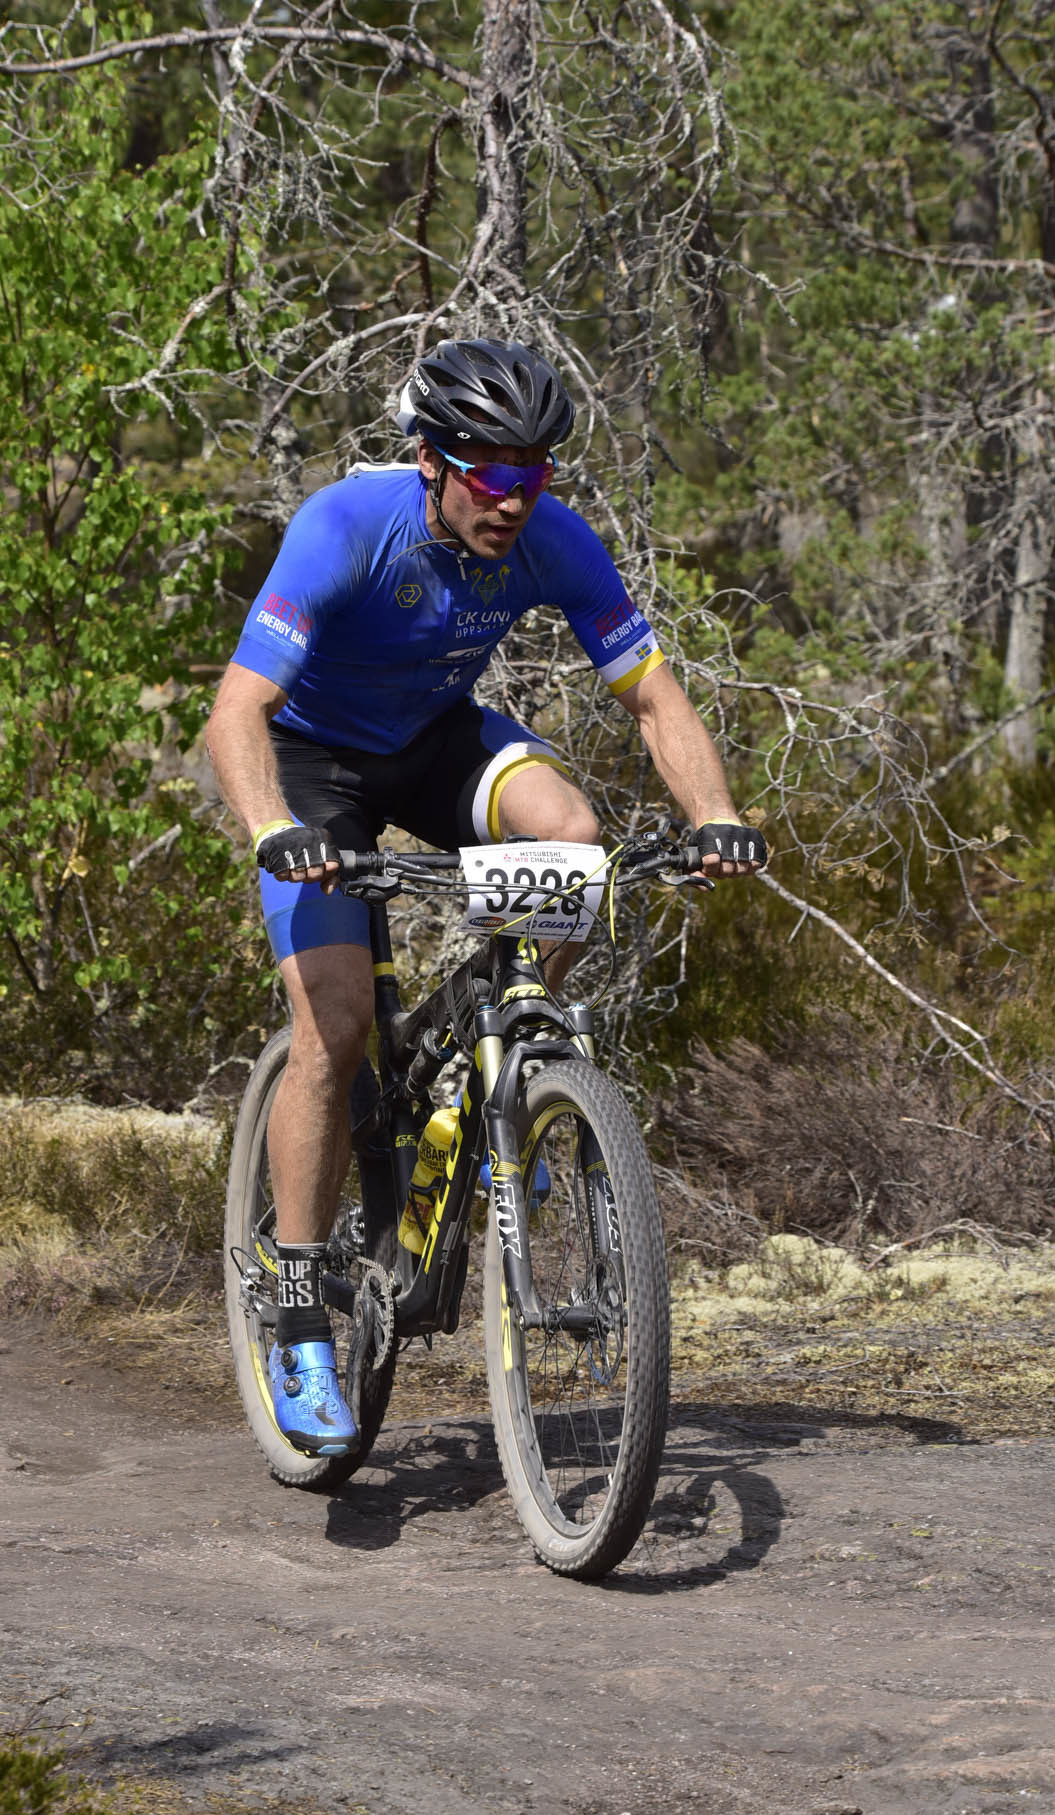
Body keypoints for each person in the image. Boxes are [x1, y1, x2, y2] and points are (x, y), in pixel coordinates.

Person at [206, 337, 765, 1458]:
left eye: (534, 474)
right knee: (334, 1030)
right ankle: (301, 1314)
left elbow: (655, 698)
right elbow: (236, 711)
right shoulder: (345, 526)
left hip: (432, 740)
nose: (513, 499)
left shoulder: (553, 539)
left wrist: (715, 814)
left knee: (574, 841)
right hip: (314, 764)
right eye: (492, 473)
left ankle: (497, 1068)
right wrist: (275, 830)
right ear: (431, 460)